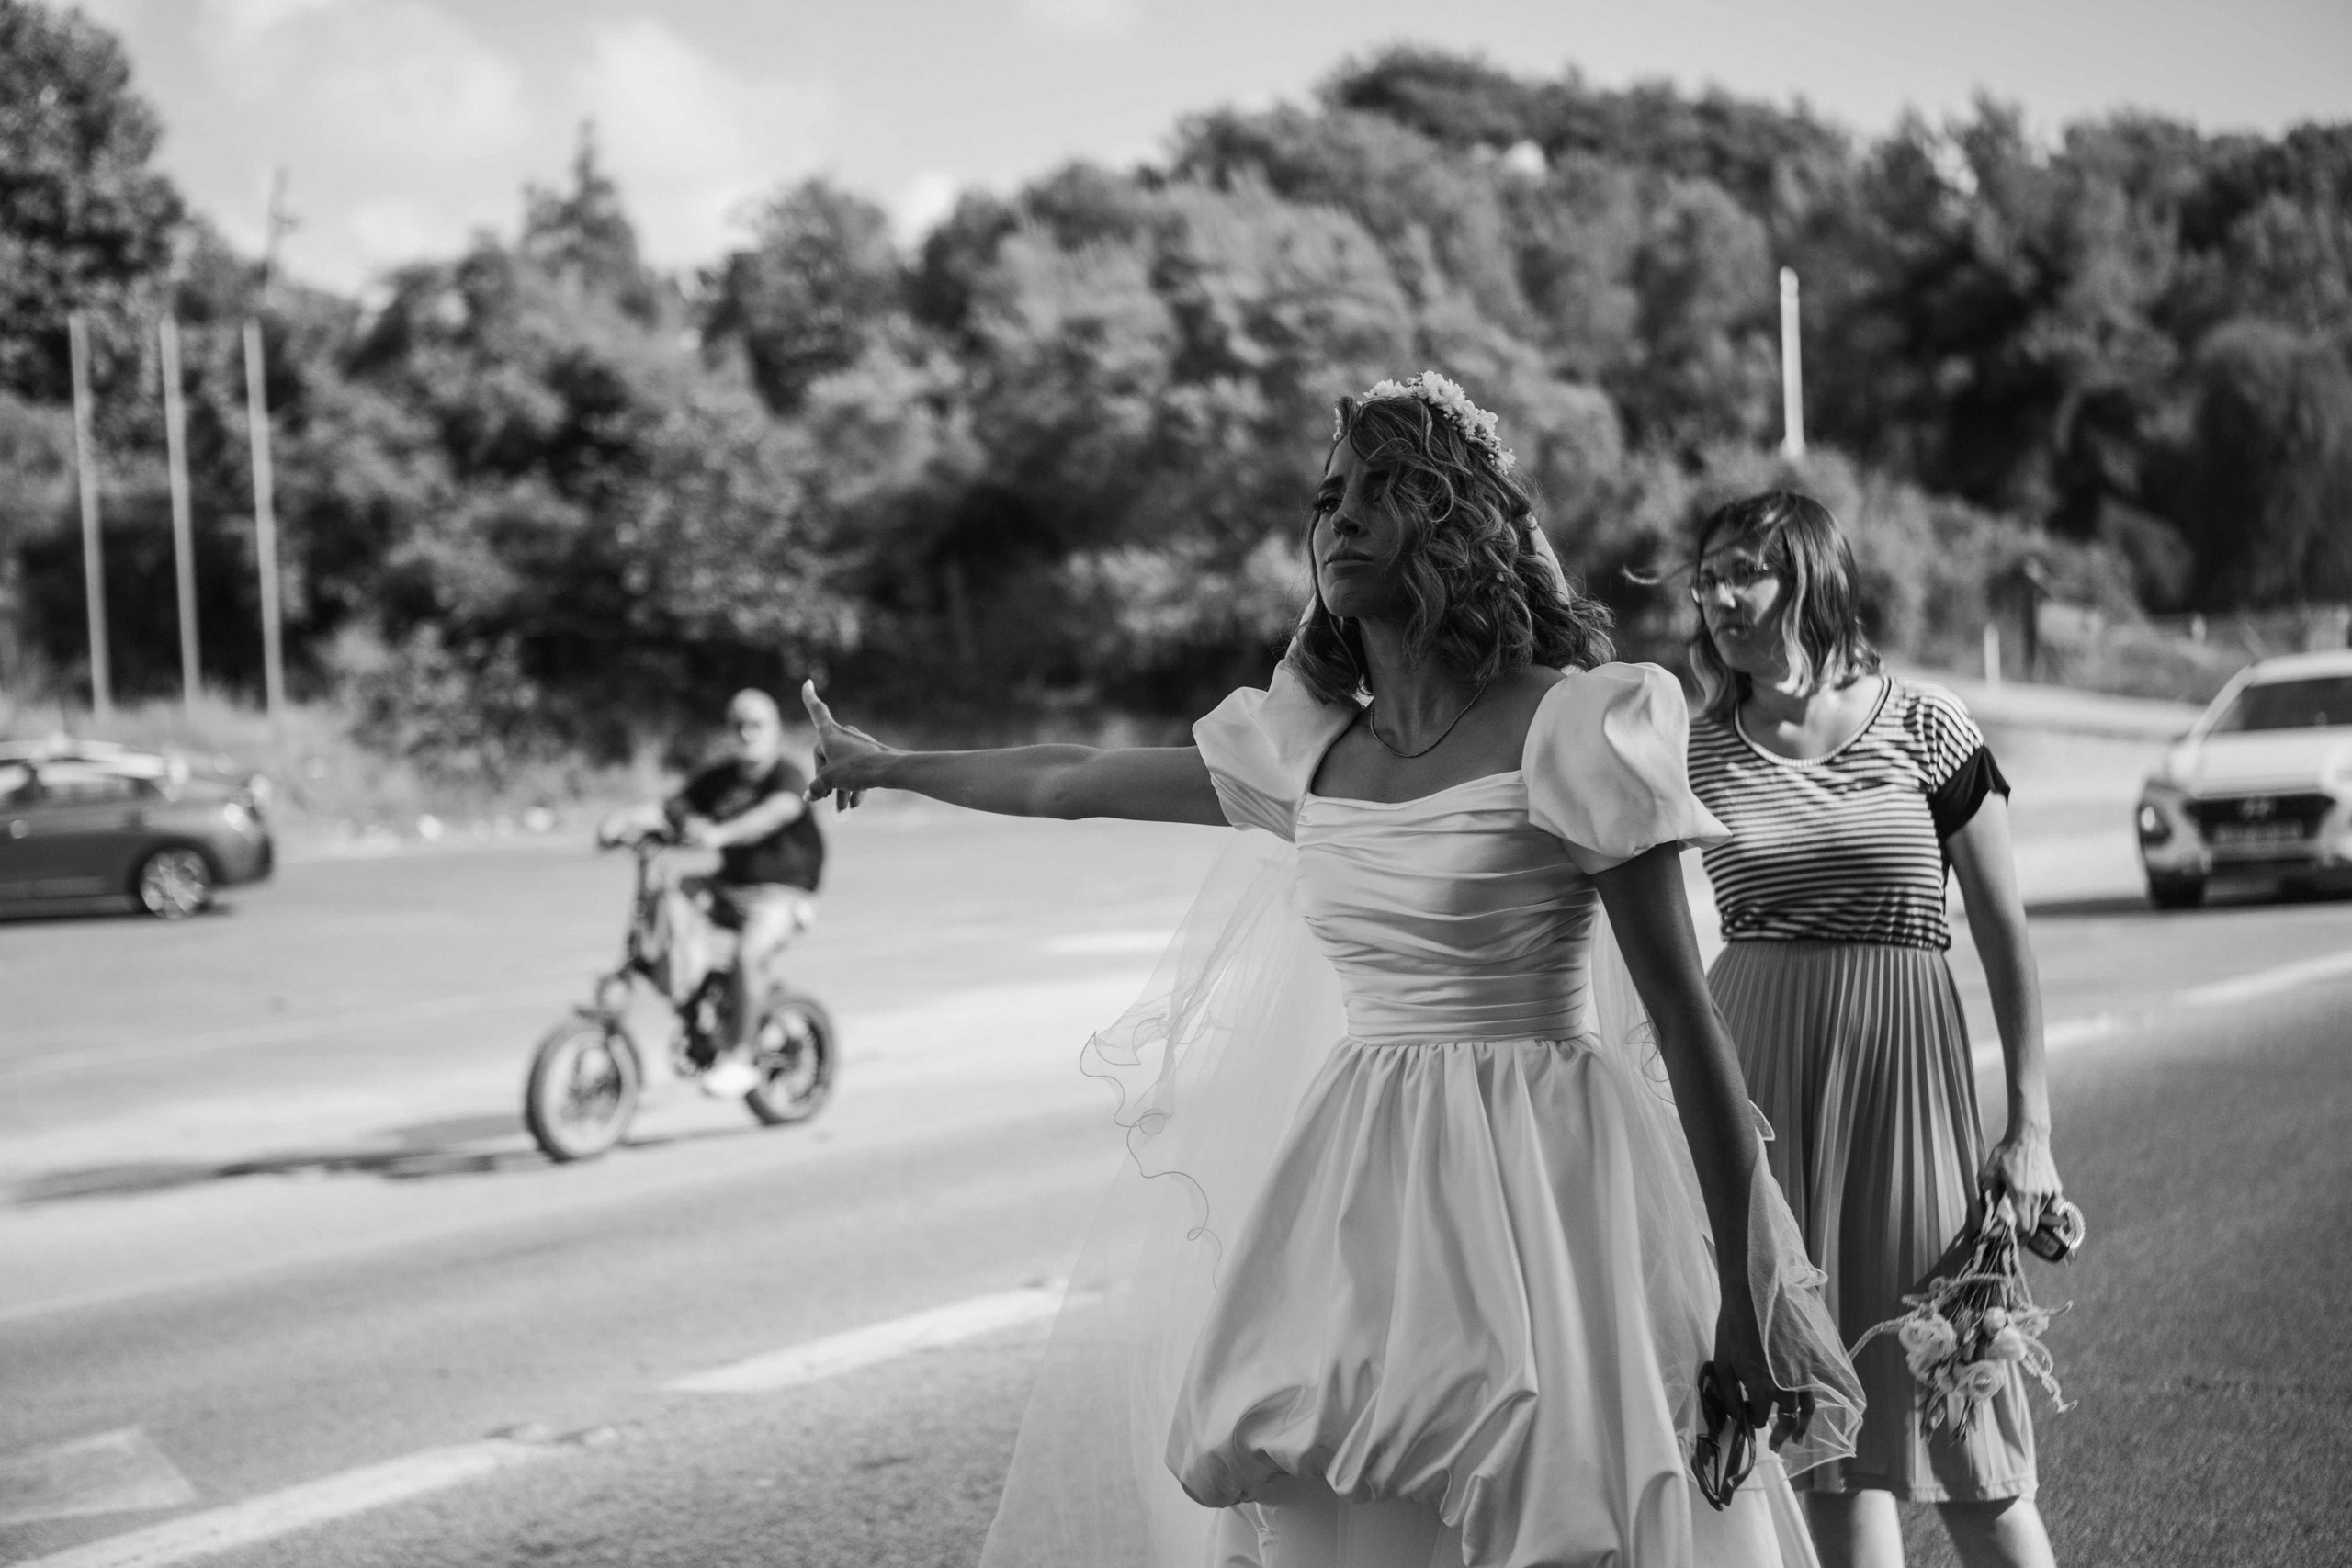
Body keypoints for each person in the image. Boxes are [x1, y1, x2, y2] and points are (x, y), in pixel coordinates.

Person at [801, 375, 1861, 1568]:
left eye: (1378, 490)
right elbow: (1076, 776)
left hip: (1548, 1185)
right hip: (1362, 1189)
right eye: (1329, 497)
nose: (1339, 519)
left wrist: (1745, 1294)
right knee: (1350, 1502)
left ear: (1457, 520)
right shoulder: (1308, 750)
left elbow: (1683, 1022)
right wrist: (890, 763)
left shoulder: (1581, 723)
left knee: (1558, 1507)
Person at [1679, 491, 2063, 1568]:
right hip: (1758, 1100)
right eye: (1704, 579)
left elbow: (2006, 937)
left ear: (1805, 575)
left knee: (1965, 1423)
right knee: (1822, 1449)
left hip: (1908, 1100)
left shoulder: (1928, 725)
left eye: (1739, 572)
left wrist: (2029, 1128)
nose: (1715, 598)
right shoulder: (1695, 749)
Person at [603, 688, 822, 1097]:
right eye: (738, 725)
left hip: (782, 894)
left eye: (756, 724)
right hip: (729, 888)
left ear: (774, 729)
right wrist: (620, 821)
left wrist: (721, 833)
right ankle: (693, 984)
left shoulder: (786, 776)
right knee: (669, 896)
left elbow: (777, 813)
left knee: (748, 955)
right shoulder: (720, 780)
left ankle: (740, 1058)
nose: (747, 733)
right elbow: (669, 808)